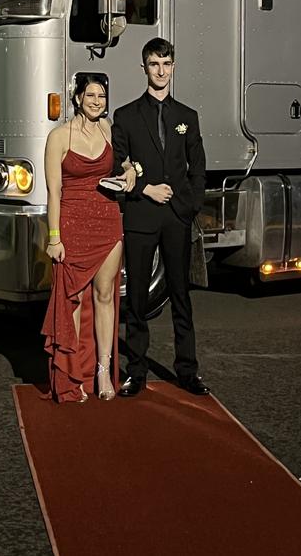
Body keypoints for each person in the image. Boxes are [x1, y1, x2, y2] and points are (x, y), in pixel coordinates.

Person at [112, 37, 210, 397]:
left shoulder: (187, 117)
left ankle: (187, 371)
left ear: (173, 67)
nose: (161, 71)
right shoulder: (125, 116)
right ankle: (135, 373)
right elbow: (116, 168)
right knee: (137, 298)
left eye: (166, 64)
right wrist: (144, 190)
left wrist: (189, 207)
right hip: (140, 216)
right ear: (144, 68)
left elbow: (198, 168)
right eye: (154, 64)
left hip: (176, 218)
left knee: (181, 296)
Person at [41, 74, 136, 403]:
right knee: (75, 301)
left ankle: (103, 371)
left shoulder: (109, 129)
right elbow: (54, 192)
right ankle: (75, 376)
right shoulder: (58, 137)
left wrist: (131, 172)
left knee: (105, 296)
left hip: (108, 221)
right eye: (91, 95)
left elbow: (125, 161)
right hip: (72, 224)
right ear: (78, 98)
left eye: (102, 95)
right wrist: (54, 238)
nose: (97, 101)